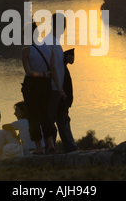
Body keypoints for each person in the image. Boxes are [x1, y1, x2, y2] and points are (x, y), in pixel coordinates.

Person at [21, 21, 65, 154]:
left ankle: (39, 147)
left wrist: (41, 74)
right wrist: (59, 88)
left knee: (33, 115)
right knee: (44, 114)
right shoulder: (49, 49)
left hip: (31, 85)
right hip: (46, 86)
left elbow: (29, 71)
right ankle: (50, 144)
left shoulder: (26, 50)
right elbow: (54, 70)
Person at [44, 13, 79, 153]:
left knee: (62, 117)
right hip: (53, 89)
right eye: (62, 25)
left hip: (58, 89)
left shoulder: (54, 42)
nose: (63, 28)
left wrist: (65, 59)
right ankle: (50, 148)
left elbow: (56, 64)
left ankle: (69, 147)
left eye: (64, 25)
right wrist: (58, 88)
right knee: (53, 119)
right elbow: (48, 66)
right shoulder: (49, 42)